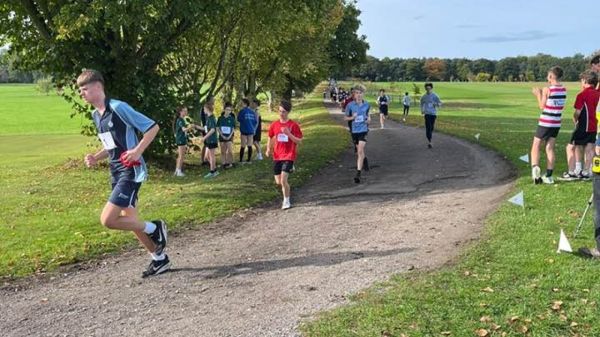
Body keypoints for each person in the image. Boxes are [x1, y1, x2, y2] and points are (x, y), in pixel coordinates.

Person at [77, 69, 169, 278]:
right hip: (116, 171)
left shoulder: (119, 108)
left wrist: (137, 151)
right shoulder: (95, 115)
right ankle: (159, 259)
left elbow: (152, 127)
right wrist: (96, 157)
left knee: (108, 220)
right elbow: (111, 145)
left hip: (131, 171)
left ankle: (155, 227)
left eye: (85, 89)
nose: (81, 93)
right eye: (80, 90)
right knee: (130, 220)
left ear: (98, 87)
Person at [530, 66, 566, 185]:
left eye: (548, 75)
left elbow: (541, 106)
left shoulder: (547, 89)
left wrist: (538, 94)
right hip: (556, 123)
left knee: (536, 145)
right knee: (550, 148)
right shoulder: (563, 89)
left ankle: (535, 169)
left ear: (551, 76)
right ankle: (549, 176)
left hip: (546, 121)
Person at [562, 70, 599, 180]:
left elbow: (577, 112)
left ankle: (571, 172)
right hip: (594, 126)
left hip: (583, 125)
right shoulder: (598, 94)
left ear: (585, 81)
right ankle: (586, 172)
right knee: (589, 147)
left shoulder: (582, 95)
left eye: (581, 80)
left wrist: (575, 120)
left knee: (570, 147)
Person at [266, 100, 303, 210]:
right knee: (278, 182)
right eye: (280, 111)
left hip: (289, 155)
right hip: (277, 156)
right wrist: (268, 148)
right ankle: (290, 168)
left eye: (284, 112)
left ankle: (286, 201)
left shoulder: (293, 125)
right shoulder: (275, 124)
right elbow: (270, 137)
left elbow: (299, 141)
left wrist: (289, 134)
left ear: (288, 112)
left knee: (283, 180)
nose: (281, 113)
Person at [344, 84, 371, 184]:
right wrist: (352, 118)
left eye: (360, 93)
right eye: (357, 93)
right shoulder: (350, 105)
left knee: (359, 150)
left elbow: (368, 116)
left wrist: (368, 120)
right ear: (354, 94)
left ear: (363, 94)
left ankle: (358, 173)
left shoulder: (367, 104)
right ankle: (365, 159)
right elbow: (345, 118)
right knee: (359, 151)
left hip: (363, 130)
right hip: (354, 131)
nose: (359, 95)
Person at [173, 106, 202, 177]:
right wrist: (191, 126)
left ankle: (177, 171)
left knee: (180, 155)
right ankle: (179, 171)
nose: (186, 112)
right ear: (180, 112)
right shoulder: (180, 120)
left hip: (181, 139)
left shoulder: (181, 120)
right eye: (184, 111)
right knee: (181, 155)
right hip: (181, 139)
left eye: (186, 111)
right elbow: (184, 129)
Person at [420, 82, 442, 149]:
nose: (428, 90)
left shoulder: (435, 96)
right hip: (427, 114)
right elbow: (421, 104)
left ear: (431, 88)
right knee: (428, 127)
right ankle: (430, 141)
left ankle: (430, 137)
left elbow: (440, 103)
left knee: (431, 127)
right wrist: (422, 110)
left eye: (429, 88)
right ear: (425, 89)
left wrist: (436, 104)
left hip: (433, 114)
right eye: (427, 89)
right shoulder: (424, 97)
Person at [202, 100, 220, 178]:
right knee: (207, 157)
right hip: (209, 140)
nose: (203, 110)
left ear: (207, 109)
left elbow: (212, 130)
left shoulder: (212, 118)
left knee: (211, 156)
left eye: (204, 109)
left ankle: (212, 171)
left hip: (212, 139)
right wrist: (195, 126)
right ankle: (214, 169)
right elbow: (206, 129)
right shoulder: (208, 118)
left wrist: (204, 137)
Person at [237, 98, 258, 163]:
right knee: (249, 145)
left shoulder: (242, 111)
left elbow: (239, 119)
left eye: (242, 103)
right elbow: (255, 121)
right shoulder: (252, 112)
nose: (241, 104)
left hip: (244, 130)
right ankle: (249, 160)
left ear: (245, 104)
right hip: (251, 130)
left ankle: (241, 160)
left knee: (243, 145)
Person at [217, 102, 236, 169]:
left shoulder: (232, 119)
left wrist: (229, 136)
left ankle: (231, 162)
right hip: (222, 136)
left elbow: (233, 129)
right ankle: (224, 163)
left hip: (229, 137)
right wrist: (222, 135)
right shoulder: (220, 118)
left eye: (229, 110)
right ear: (224, 110)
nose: (228, 111)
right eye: (227, 109)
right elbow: (218, 128)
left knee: (230, 150)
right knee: (223, 151)